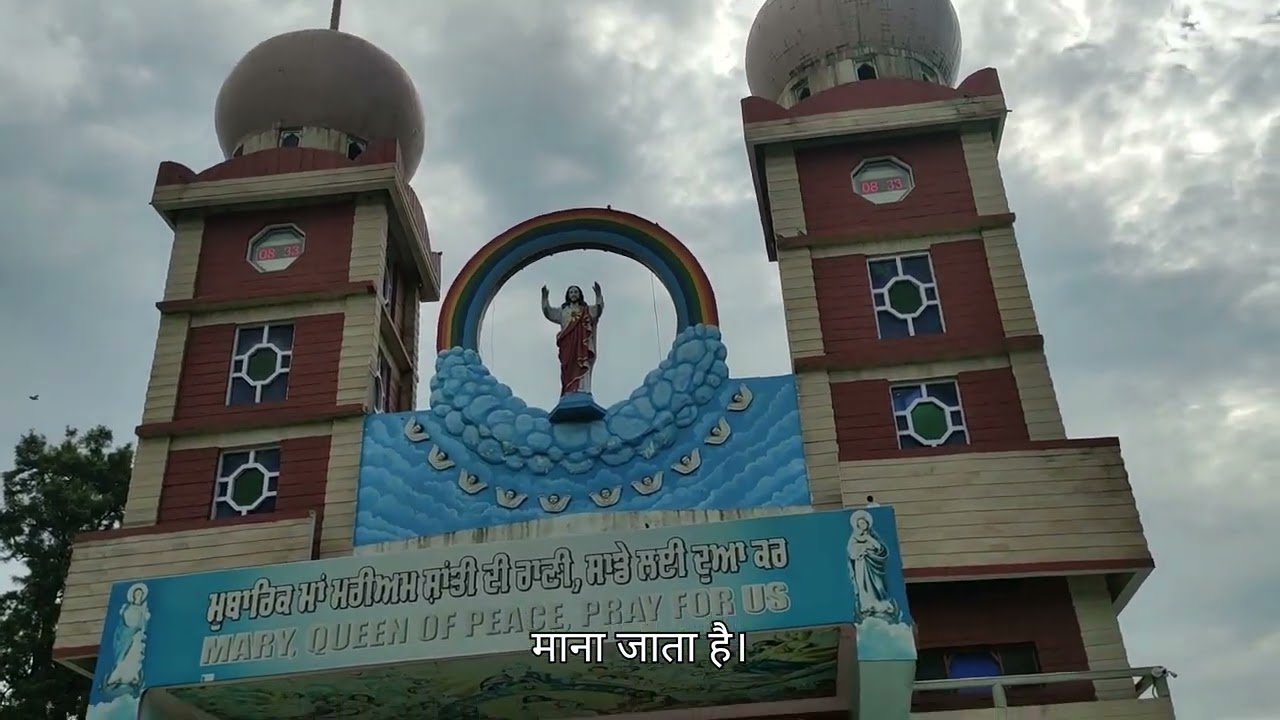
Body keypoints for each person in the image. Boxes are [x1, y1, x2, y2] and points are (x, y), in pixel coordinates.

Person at [541, 283, 604, 396]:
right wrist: (545, 298)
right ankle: (569, 390)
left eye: (576, 292)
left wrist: (598, 296)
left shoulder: (585, 309)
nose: (573, 294)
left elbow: (597, 311)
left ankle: (582, 389)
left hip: (582, 345)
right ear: (568, 295)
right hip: (567, 345)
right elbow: (549, 312)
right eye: (571, 292)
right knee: (568, 367)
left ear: (580, 294)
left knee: (582, 363)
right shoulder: (563, 311)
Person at [847, 510, 899, 621]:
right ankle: (867, 606)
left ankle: (882, 605)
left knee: (879, 586)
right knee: (864, 586)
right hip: (861, 565)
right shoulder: (854, 538)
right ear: (857, 525)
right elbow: (852, 554)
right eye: (860, 524)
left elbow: (880, 549)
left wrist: (869, 540)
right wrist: (862, 549)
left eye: (864, 523)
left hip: (875, 566)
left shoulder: (873, 536)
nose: (863, 525)